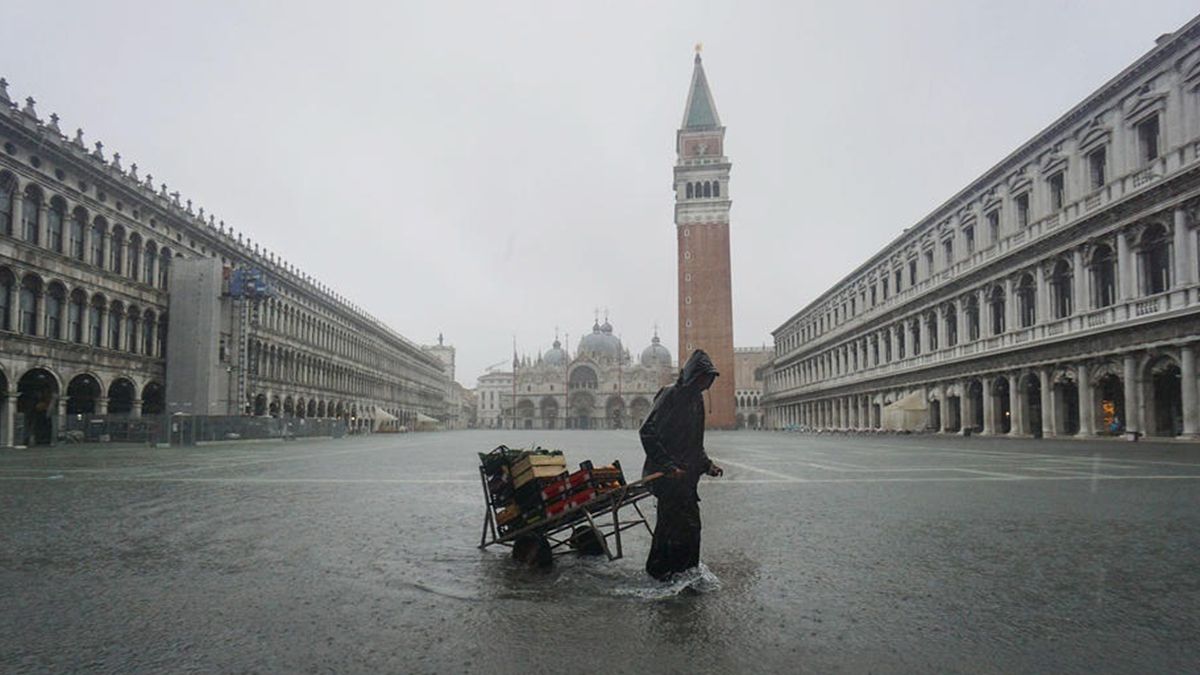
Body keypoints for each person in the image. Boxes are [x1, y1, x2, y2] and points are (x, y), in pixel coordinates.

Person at [639, 349, 724, 581]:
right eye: (704, 379)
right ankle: (660, 572)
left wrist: (708, 465)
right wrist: (668, 466)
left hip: (686, 478)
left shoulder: (696, 399)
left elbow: (695, 442)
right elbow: (647, 431)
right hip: (667, 477)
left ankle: (687, 571)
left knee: (690, 527)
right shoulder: (669, 395)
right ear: (692, 375)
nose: (707, 385)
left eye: (710, 380)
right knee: (670, 526)